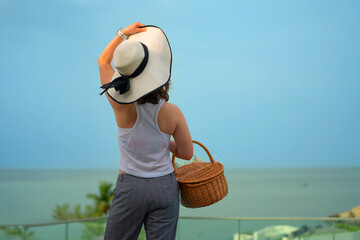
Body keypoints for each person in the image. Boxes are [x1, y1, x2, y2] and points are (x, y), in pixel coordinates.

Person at [98, 22, 193, 240]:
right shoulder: (173, 112)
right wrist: (164, 141)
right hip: (164, 187)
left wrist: (123, 34)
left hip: (130, 186)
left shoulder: (119, 105)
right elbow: (186, 153)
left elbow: (103, 60)